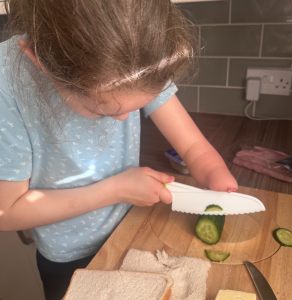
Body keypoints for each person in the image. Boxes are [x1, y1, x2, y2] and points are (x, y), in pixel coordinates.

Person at [0, 1, 238, 299]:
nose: (124, 119)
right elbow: (6, 212)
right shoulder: (5, 83)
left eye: (136, 107)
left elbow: (192, 146)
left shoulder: (140, 56)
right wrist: (115, 190)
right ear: (41, 62)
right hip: (68, 257)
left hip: (131, 229)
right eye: (103, 110)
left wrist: (215, 174)